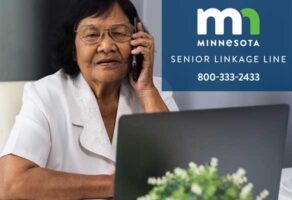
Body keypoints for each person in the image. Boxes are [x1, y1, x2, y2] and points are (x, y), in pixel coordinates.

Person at [0, 0, 178, 199]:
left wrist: (146, 90)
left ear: (137, 40)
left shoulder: (155, 92)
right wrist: (117, 184)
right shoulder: (45, 95)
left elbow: (182, 171)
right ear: (73, 49)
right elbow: (12, 184)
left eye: (119, 33)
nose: (107, 46)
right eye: (92, 35)